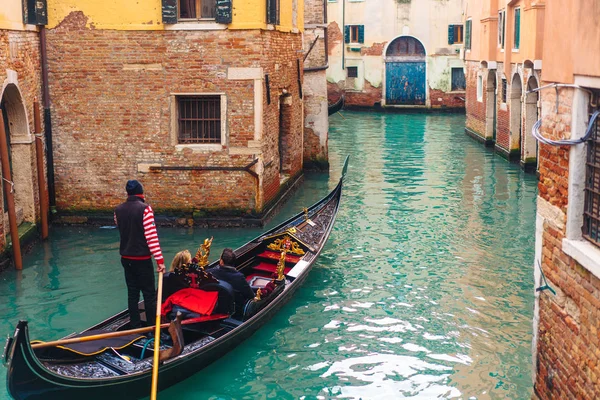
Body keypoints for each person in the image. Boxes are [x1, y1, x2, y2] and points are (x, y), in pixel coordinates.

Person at [114, 180, 166, 329]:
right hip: (142, 259)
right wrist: (160, 260)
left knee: (132, 294)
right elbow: (151, 237)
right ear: (141, 193)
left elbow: (122, 228)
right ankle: (151, 328)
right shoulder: (145, 209)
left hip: (126, 259)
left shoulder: (118, 210)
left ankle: (135, 326)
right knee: (149, 295)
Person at [206, 248, 254, 315]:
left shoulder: (210, 272)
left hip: (214, 305)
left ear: (221, 262)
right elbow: (250, 295)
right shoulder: (239, 277)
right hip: (234, 309)